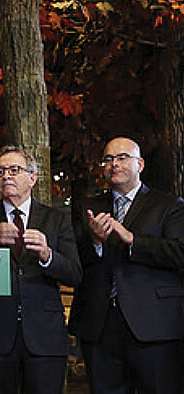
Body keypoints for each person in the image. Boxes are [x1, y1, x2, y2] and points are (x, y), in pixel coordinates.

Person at [69, 137, 184, 393]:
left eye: (122, 158)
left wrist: (132, 240)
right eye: (108, 159)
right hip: (101, 324)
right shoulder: (87, 208)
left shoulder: (168, 205)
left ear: (140, 164)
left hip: (153, 325)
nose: (114, 164)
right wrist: (96, 242)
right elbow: (74, 260)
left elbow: (179, 253)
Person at [0, 145, 81, 394]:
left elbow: (74, 273)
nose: (6, 176)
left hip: (44, 337)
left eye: (14, 170)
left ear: (32, 178)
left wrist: (48, 255)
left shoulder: (56, 220)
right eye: (1, 171)